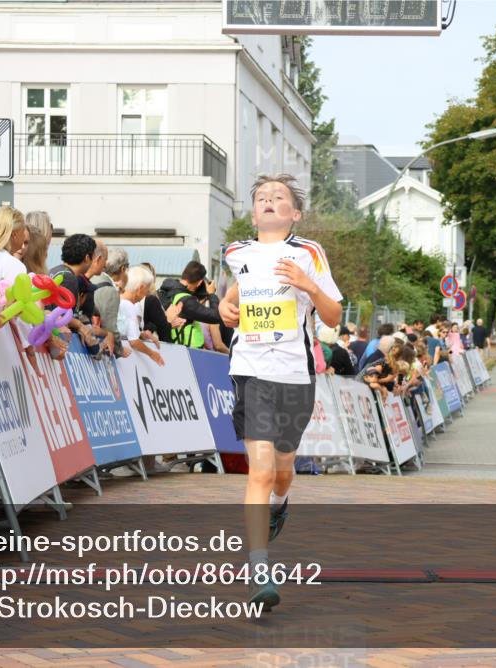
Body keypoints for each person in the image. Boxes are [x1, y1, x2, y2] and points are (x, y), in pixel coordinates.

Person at [218, 174, 342, 611]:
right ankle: (258, 570)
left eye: (279, 197)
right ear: (253, 214)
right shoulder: (236, 253)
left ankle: (281, 503)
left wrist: (309, 286)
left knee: (283, 471)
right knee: (260, 470)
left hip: (294, 376)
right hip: (250, 371)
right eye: (261, 198)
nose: (269, 201)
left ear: (295, 213)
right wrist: (225, 307)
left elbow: (333, 314)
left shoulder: (309, 253)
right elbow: (235, 294)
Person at [49, 233, 102, 353]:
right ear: (87, 258)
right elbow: (60, 316)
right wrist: (79, 325)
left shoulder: (55, 270)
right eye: (93, 257)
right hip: (57, 344)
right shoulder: (69, 278)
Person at [157, 260, 222, 347]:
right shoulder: (187, 301)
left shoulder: (165, 291)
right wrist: (211, 294)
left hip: (168, 346)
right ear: (199, 283)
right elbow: (216, 316)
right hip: (185, 350)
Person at [119, 265, 164, 366]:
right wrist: (152, 354)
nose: (147, 294)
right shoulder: (129, 306)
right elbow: (134, 341)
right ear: (140, 288)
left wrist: (141, 334)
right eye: (147, 290)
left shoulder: (119, 299)